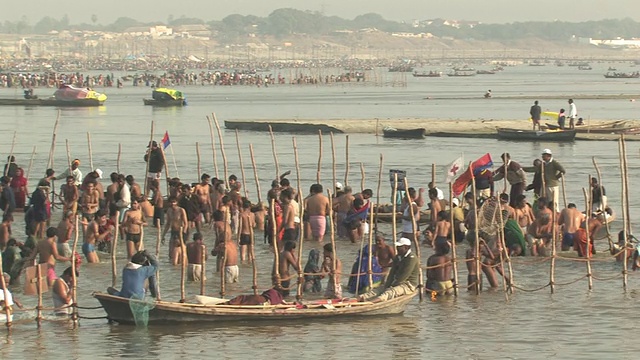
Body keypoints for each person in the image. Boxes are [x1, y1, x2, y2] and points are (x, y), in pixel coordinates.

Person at [358, 237, 419, 303]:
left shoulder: (411, 258)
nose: (397, 248)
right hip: (396, 282)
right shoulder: (398, 257)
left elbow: (404, 276)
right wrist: (387, 284)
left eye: (399, 247)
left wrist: (392, 285)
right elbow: (392, 272)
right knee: (377, 290)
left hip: (407, 285)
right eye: (397, 246)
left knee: (389, 292)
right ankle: (358, 299)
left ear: (406, 247)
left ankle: (370, 302)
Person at [162, 196, 188, 265]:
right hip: (173, 232)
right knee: (171, 252)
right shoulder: (169, 210)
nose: (172, 204)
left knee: (181, 250)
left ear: (176, 202)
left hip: (181, 232)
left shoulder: (181, 210)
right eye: (171, 202)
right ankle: (172, 268)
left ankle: (181, 264)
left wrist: (183, 235)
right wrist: (163, 235)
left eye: (174, 202)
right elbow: (168, 224)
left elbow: (186, 223)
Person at [238, 198, 255, 264]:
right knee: (250, 254)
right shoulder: (252, 215)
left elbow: (240, 227)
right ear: (249, 207)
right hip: (251, 234)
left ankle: (243, 266)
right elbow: (253, 225)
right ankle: (249, 265)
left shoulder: (242, 215)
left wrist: (238, 238)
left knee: (242, 255)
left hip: (244, 234)